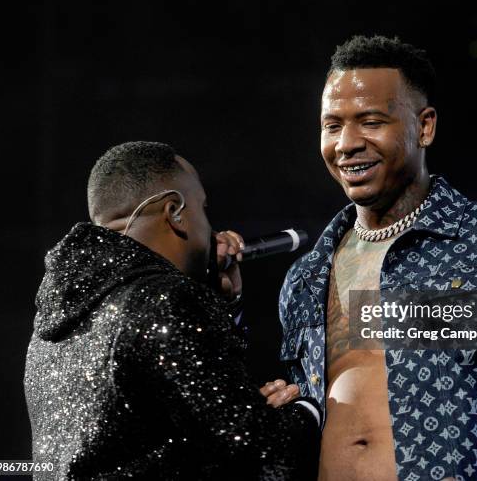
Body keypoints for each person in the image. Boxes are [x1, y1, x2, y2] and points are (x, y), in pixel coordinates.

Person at [278, 36, 477, 480]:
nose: (347, 143)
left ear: (424, 127)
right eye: (332, 125)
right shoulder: (305, 276)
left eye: (370, 121)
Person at [24, 141, 321, 480]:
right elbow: (262, 452)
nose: (210, 229)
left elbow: (160, 433)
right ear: (175, 212)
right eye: (203, 208)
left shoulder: (50, 328)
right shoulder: (164, 299)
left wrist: (224, 302)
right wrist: (305, 411)